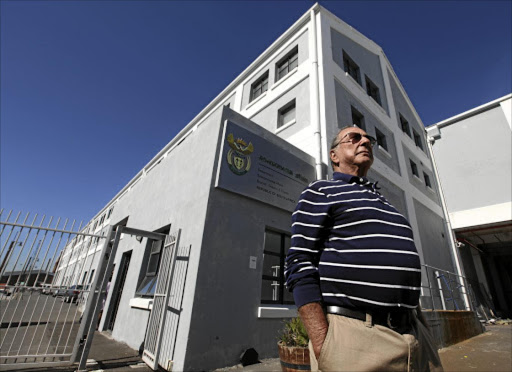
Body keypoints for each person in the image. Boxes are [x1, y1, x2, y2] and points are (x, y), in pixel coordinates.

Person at [284, 125, 443, 371]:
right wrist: (321, 342)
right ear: (334, 155)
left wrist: (422, 326)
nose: (365, 142)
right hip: (356, 340)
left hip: (414, 336)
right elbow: (299, 261)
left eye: (368, 139)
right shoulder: (320, 191)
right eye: (354, 137)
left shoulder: (387, 205)